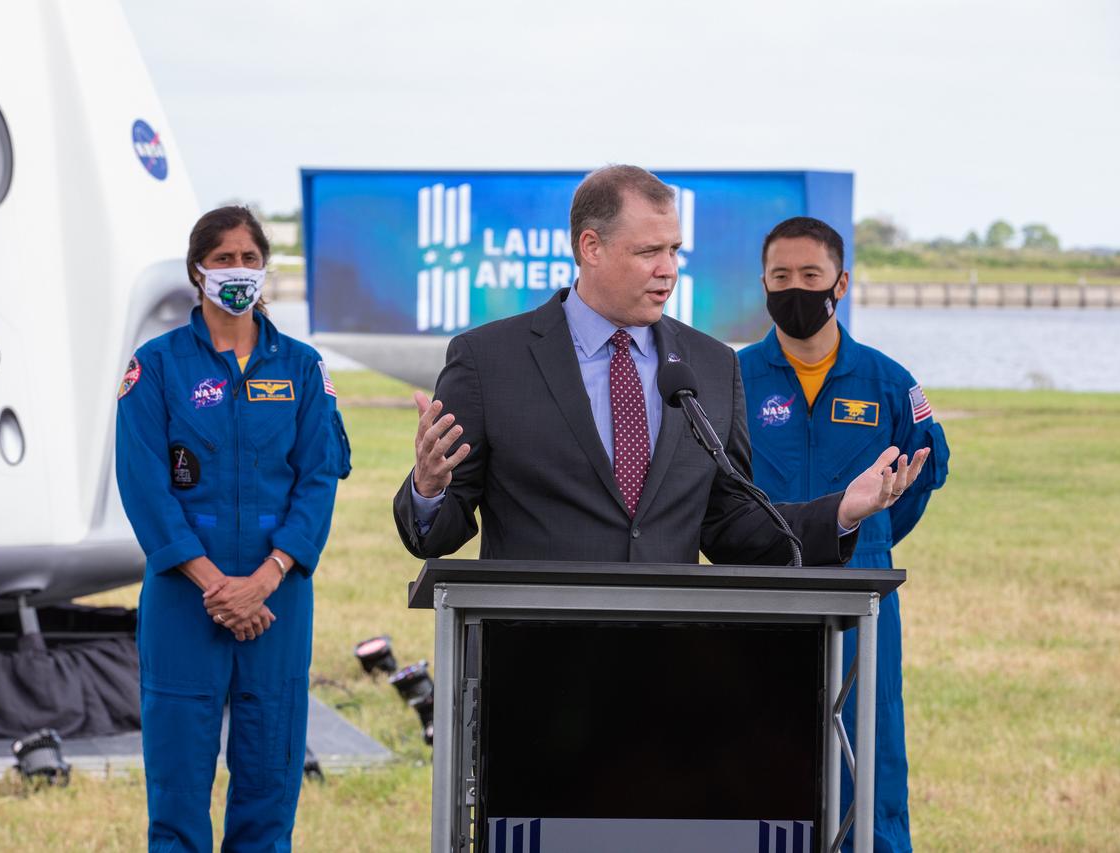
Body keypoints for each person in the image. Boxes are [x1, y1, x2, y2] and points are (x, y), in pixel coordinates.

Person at [393, 165, 930, 571]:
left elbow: (728, 524)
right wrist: (428, 488)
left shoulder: (712, 365)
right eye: (650, 251)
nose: (668, 270)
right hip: (529, 652)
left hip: (669, 658)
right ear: (591, 247)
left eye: (674, 250)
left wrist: (841, 513)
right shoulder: (488, 360)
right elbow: (434, 535)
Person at [115, 206, 351, 852]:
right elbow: (144, 487)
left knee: (269, 783)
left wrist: (267, 577)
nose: (238, 270)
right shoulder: (156, 366)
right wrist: (217, 584)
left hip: (277, 596)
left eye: (249, 258)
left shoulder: (301, 369)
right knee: (178, 789)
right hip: (185, 596)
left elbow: (318, 478)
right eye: (223, 258)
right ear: (197, 271)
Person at [739, 216, 950, 852]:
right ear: (764, 285)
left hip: (863, 601)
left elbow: (920, 477)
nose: (795, 288)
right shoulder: (732, 378)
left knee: (870, 749)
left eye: (811, 275)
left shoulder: (888, 382)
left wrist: (870, 538)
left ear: (841, 282)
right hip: (759, 592)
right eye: (781, 277)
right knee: (754, 743)